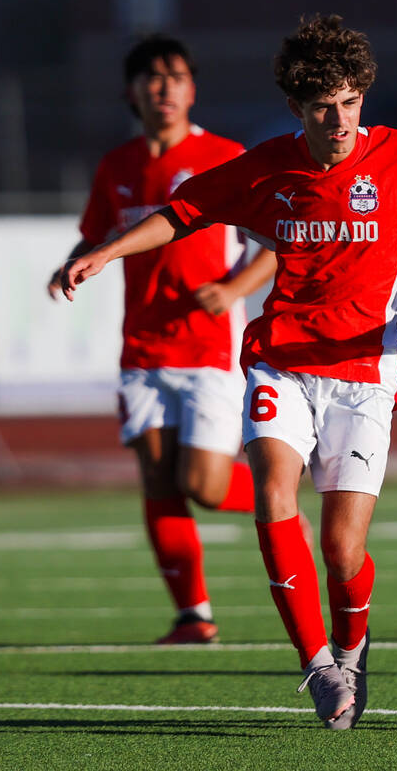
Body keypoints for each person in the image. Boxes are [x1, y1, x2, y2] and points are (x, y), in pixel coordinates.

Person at [59, 14, 397, 730]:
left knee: (342, 549)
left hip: (365, 370)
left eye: (347, 102)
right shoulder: (268, 165)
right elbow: (182, 214)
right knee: (274, 496)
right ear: (296, 109)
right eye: (320, 108)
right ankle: (316, 665)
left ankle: (351, 647)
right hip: (280, 362)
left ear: (362, 96)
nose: (337, 120)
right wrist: (103, 254)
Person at [48, 35, 280, 645]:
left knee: (202, 483)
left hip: (210, 352)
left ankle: (281, 502)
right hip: (143, 351)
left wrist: (234, 291)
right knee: (157, 479)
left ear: (192, 89)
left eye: (176, 77)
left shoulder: (225, 156)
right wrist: (72, 263)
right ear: (132, 92)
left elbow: (277, 244)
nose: (165, 88)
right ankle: (193, 616)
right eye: (152, 78)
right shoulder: (117, 166)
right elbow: (97, 237)